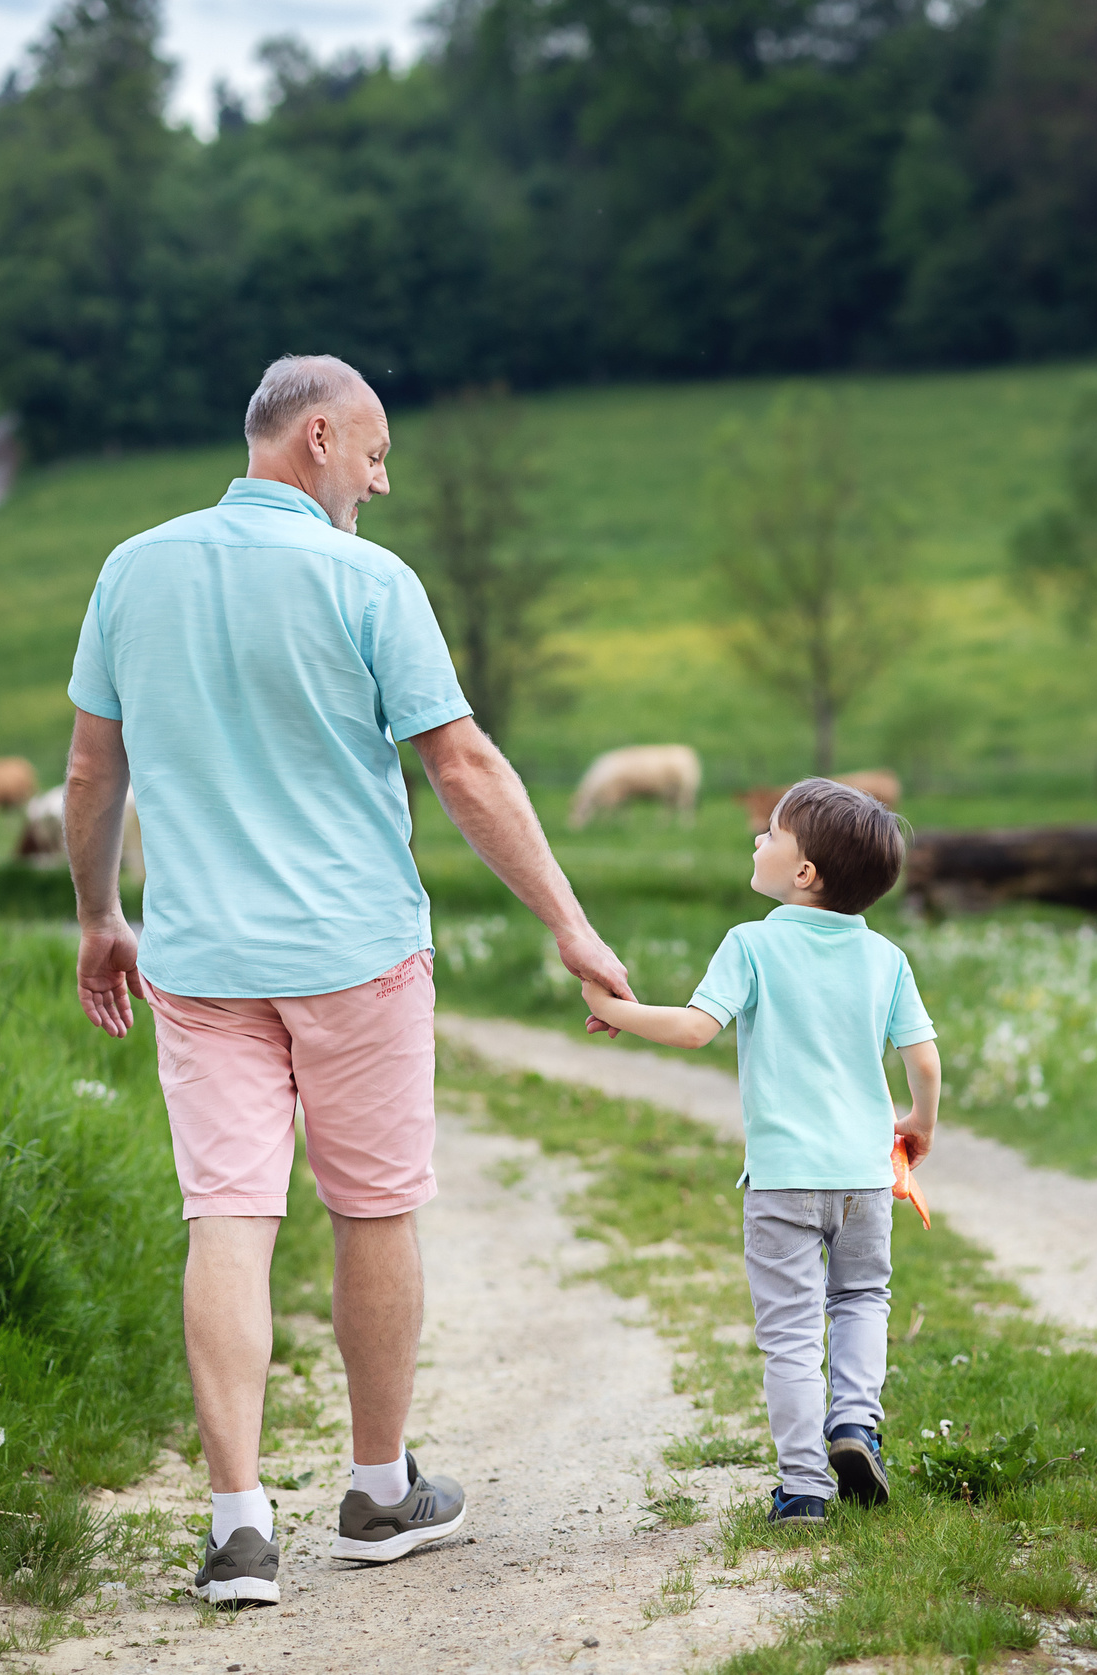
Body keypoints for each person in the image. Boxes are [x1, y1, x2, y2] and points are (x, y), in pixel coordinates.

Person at [62, 353, 634, 1604]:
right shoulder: (368, 579)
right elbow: (466, 766)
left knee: (225, 1217)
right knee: (373, 1210)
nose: (380, 483)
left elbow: (92, 775)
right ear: (317, 437)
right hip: (357, 956)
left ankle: (236, 1528)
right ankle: (379, 1492)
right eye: (374, 456)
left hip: (201, 961)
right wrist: (572, 927)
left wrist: (102, 913)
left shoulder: (132, 569)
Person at [578, 778, 942, 1523]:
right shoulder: (888, 959)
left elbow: (690, 1029)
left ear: (803, 872)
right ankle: (854, 1422)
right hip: (867, 1177)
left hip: (782, 1180)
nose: (756, 841)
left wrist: (609, 1005)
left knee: (789, 1333)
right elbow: (925, 1059)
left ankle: (805, 1487)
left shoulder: (752, 942)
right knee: (863, 1299)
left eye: (770, 834)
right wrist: (919, 1122)